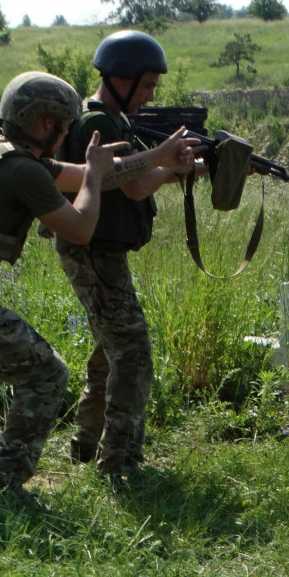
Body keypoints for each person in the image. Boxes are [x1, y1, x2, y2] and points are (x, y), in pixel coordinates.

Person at [0, 71, 197, 496]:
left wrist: (158, 158)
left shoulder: (0, 154)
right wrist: (100, 173)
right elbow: (82, 227)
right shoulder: (23, 173)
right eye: (65, 125)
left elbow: (94, 174)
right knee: (46, 374)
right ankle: (5, 485)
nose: (68, 131)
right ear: (47, 123)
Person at [56, 31, 207, 477]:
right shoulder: (95, 124)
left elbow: (138, 179)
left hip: (100, 252)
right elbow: (121, 180)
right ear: (120, 78)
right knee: (133, 353)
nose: (149, 96)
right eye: (146, 86)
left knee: (111, 350)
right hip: (94, 251)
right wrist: (164, 160)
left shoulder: (112, 121)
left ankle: (87, 442)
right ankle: (119, 461)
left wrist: (178, 168)